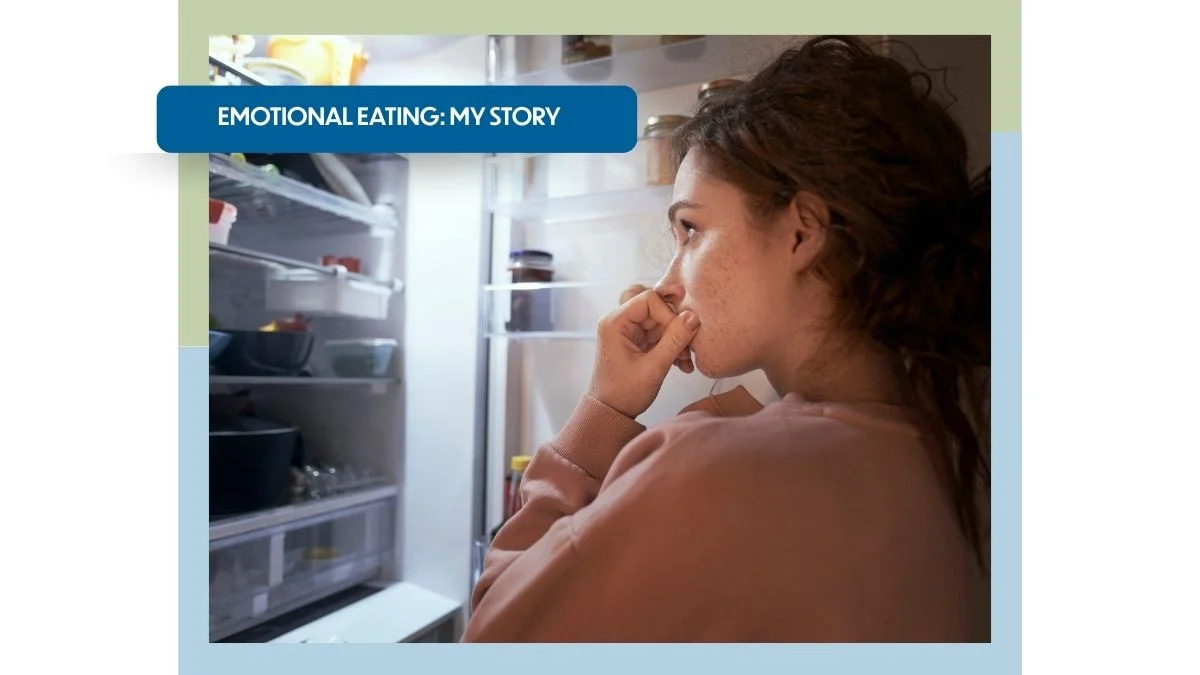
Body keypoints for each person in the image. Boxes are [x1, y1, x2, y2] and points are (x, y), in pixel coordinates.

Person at [463, 35, 991, 643]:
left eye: (691, 229)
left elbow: (490, 634)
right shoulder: (931, 446)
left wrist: (602, 414)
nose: (667, 282)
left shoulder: (708, 469)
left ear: (801, 233)